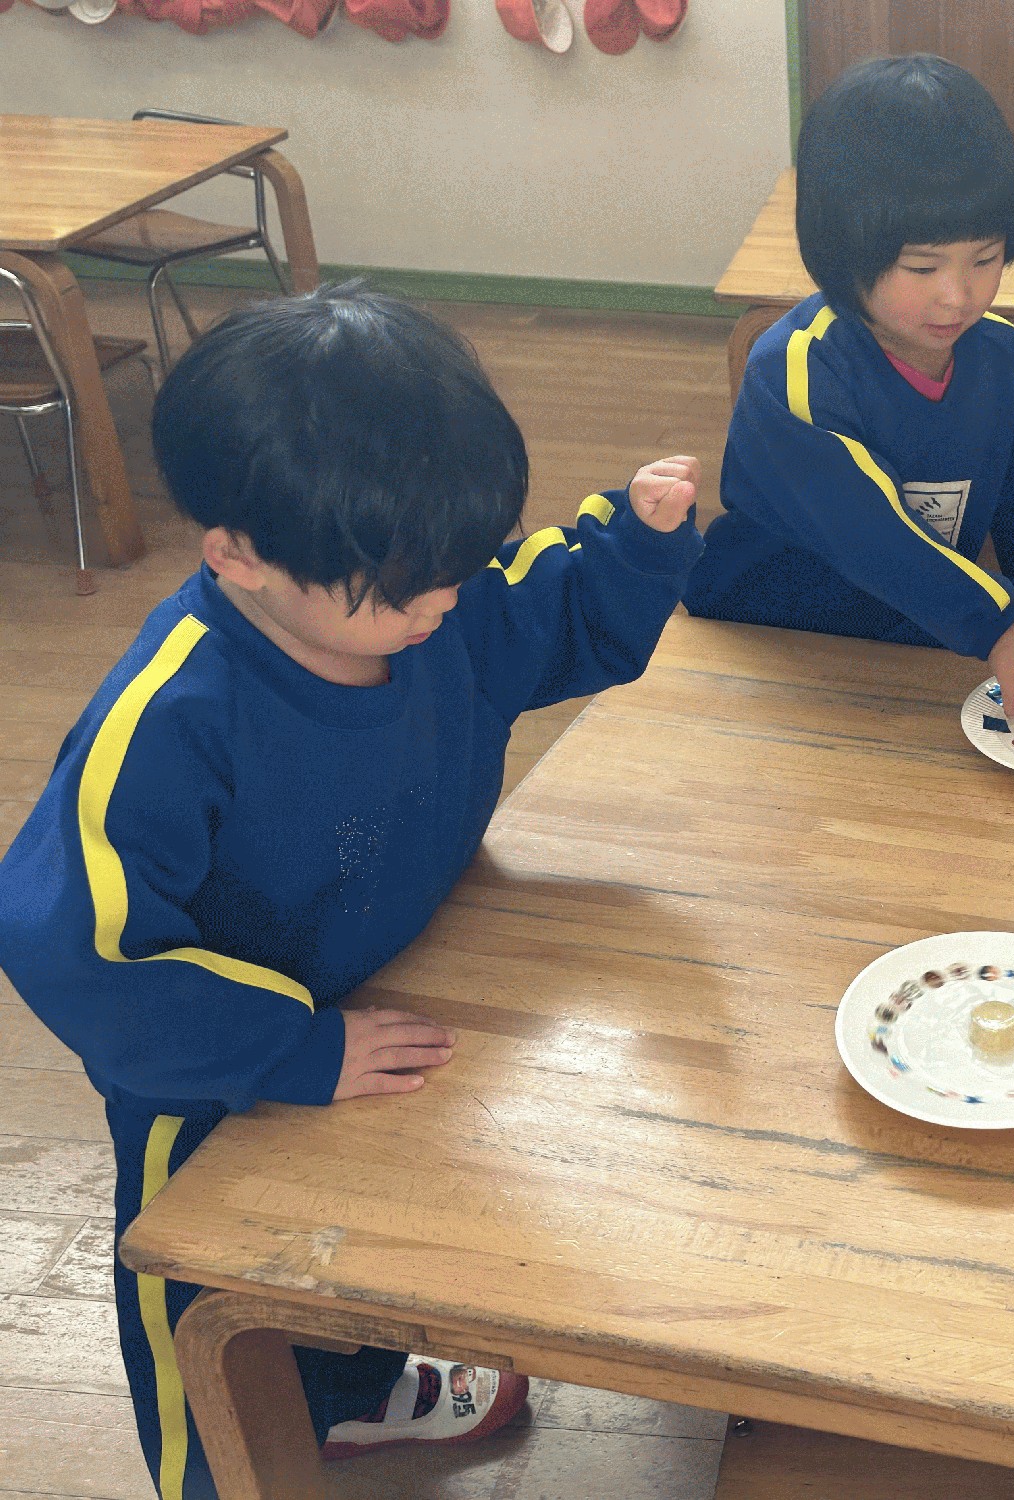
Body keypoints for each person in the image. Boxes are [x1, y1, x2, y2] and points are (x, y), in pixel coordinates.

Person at [0, 284, 705, 1497]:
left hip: (383, 985)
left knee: (366, 1246)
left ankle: (358, 1396)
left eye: (458, 566)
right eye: (402, 587)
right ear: (238, 555)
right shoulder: (173, 717)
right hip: (211, 1075)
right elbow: (76, 949)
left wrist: (637, 542)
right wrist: (295, 1049)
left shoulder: (429, 600)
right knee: (215, 1310)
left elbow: (552, 616)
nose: (444, 603)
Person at [684, 53, 1014, 727]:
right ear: (844, 252)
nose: (958, 295)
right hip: (766, 645)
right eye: (922, 268)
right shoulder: (795, 370)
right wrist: (996, 624)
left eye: (985, 259)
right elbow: (865, 530)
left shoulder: (1006, 357)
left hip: (917, 634)